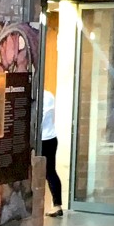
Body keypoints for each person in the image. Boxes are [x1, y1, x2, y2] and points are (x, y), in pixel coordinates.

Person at [40, 88, 64, 217]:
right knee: (50, 172)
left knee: (48, 172)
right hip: (50, 138)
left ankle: (56, 205)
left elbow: (40, 118)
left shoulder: (42, 96)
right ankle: (57, 205)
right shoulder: (48, 95)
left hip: (43, 139)